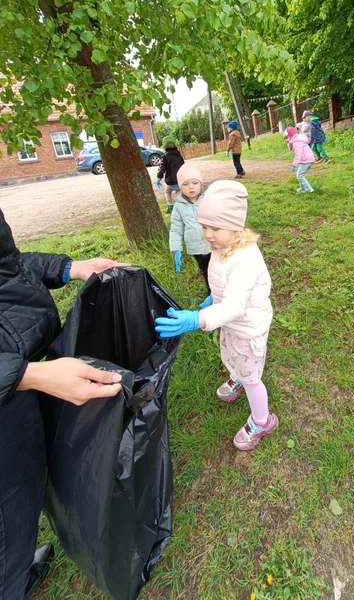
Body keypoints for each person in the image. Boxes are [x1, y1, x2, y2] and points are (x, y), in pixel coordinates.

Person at [0, 208, 124, 599]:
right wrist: (27, 376)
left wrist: (70, 267)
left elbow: (7, 268)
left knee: (25, 493)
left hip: (17, 377)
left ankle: (15, 562)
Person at [154, 181, 278, 450]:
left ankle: (262, 419)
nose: (207, 234)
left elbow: (235, 305)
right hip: (232, 325)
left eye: (214, 228)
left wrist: (196, 319)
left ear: (235, 226)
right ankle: (237, 375)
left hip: (247, 328)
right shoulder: (222, 247)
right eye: (204, 227)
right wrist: (213, 299)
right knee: (232, 354)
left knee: (252, 377)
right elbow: (223, 285)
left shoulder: (245, 260)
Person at [169, 163, 212, 292]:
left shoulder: (209, 199)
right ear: (180, 187)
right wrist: (176, 248)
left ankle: (224, 292)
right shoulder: (179, 206)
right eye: (186, 184)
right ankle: (212, 294)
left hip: (214, 244)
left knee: (219, 270)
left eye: (195, 182)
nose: (191, 187)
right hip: (196, 248)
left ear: (201, 184)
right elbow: (176, 229)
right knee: (206, 272)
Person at [156, 136, 185, 213]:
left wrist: (159, 177)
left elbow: (162, 167)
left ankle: (170, 206)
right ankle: (180, 207)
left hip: (170, 181)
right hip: (179, 180)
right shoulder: (179, 156)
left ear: (164, 146)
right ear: (175, 145)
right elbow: (183, 166)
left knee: (167, 192)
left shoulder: (165, 156)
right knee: (178, 193)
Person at [289, 125, 316, 193]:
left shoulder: (296, 143)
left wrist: (294, 165)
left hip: (306, 160)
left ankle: (309, 189)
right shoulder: (298, 140)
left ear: (290, 136)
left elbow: (298, 155)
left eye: (286, 138)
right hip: (308, 159)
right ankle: (303, 188)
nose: (285, 139)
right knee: (300, 174)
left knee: (299, 175)